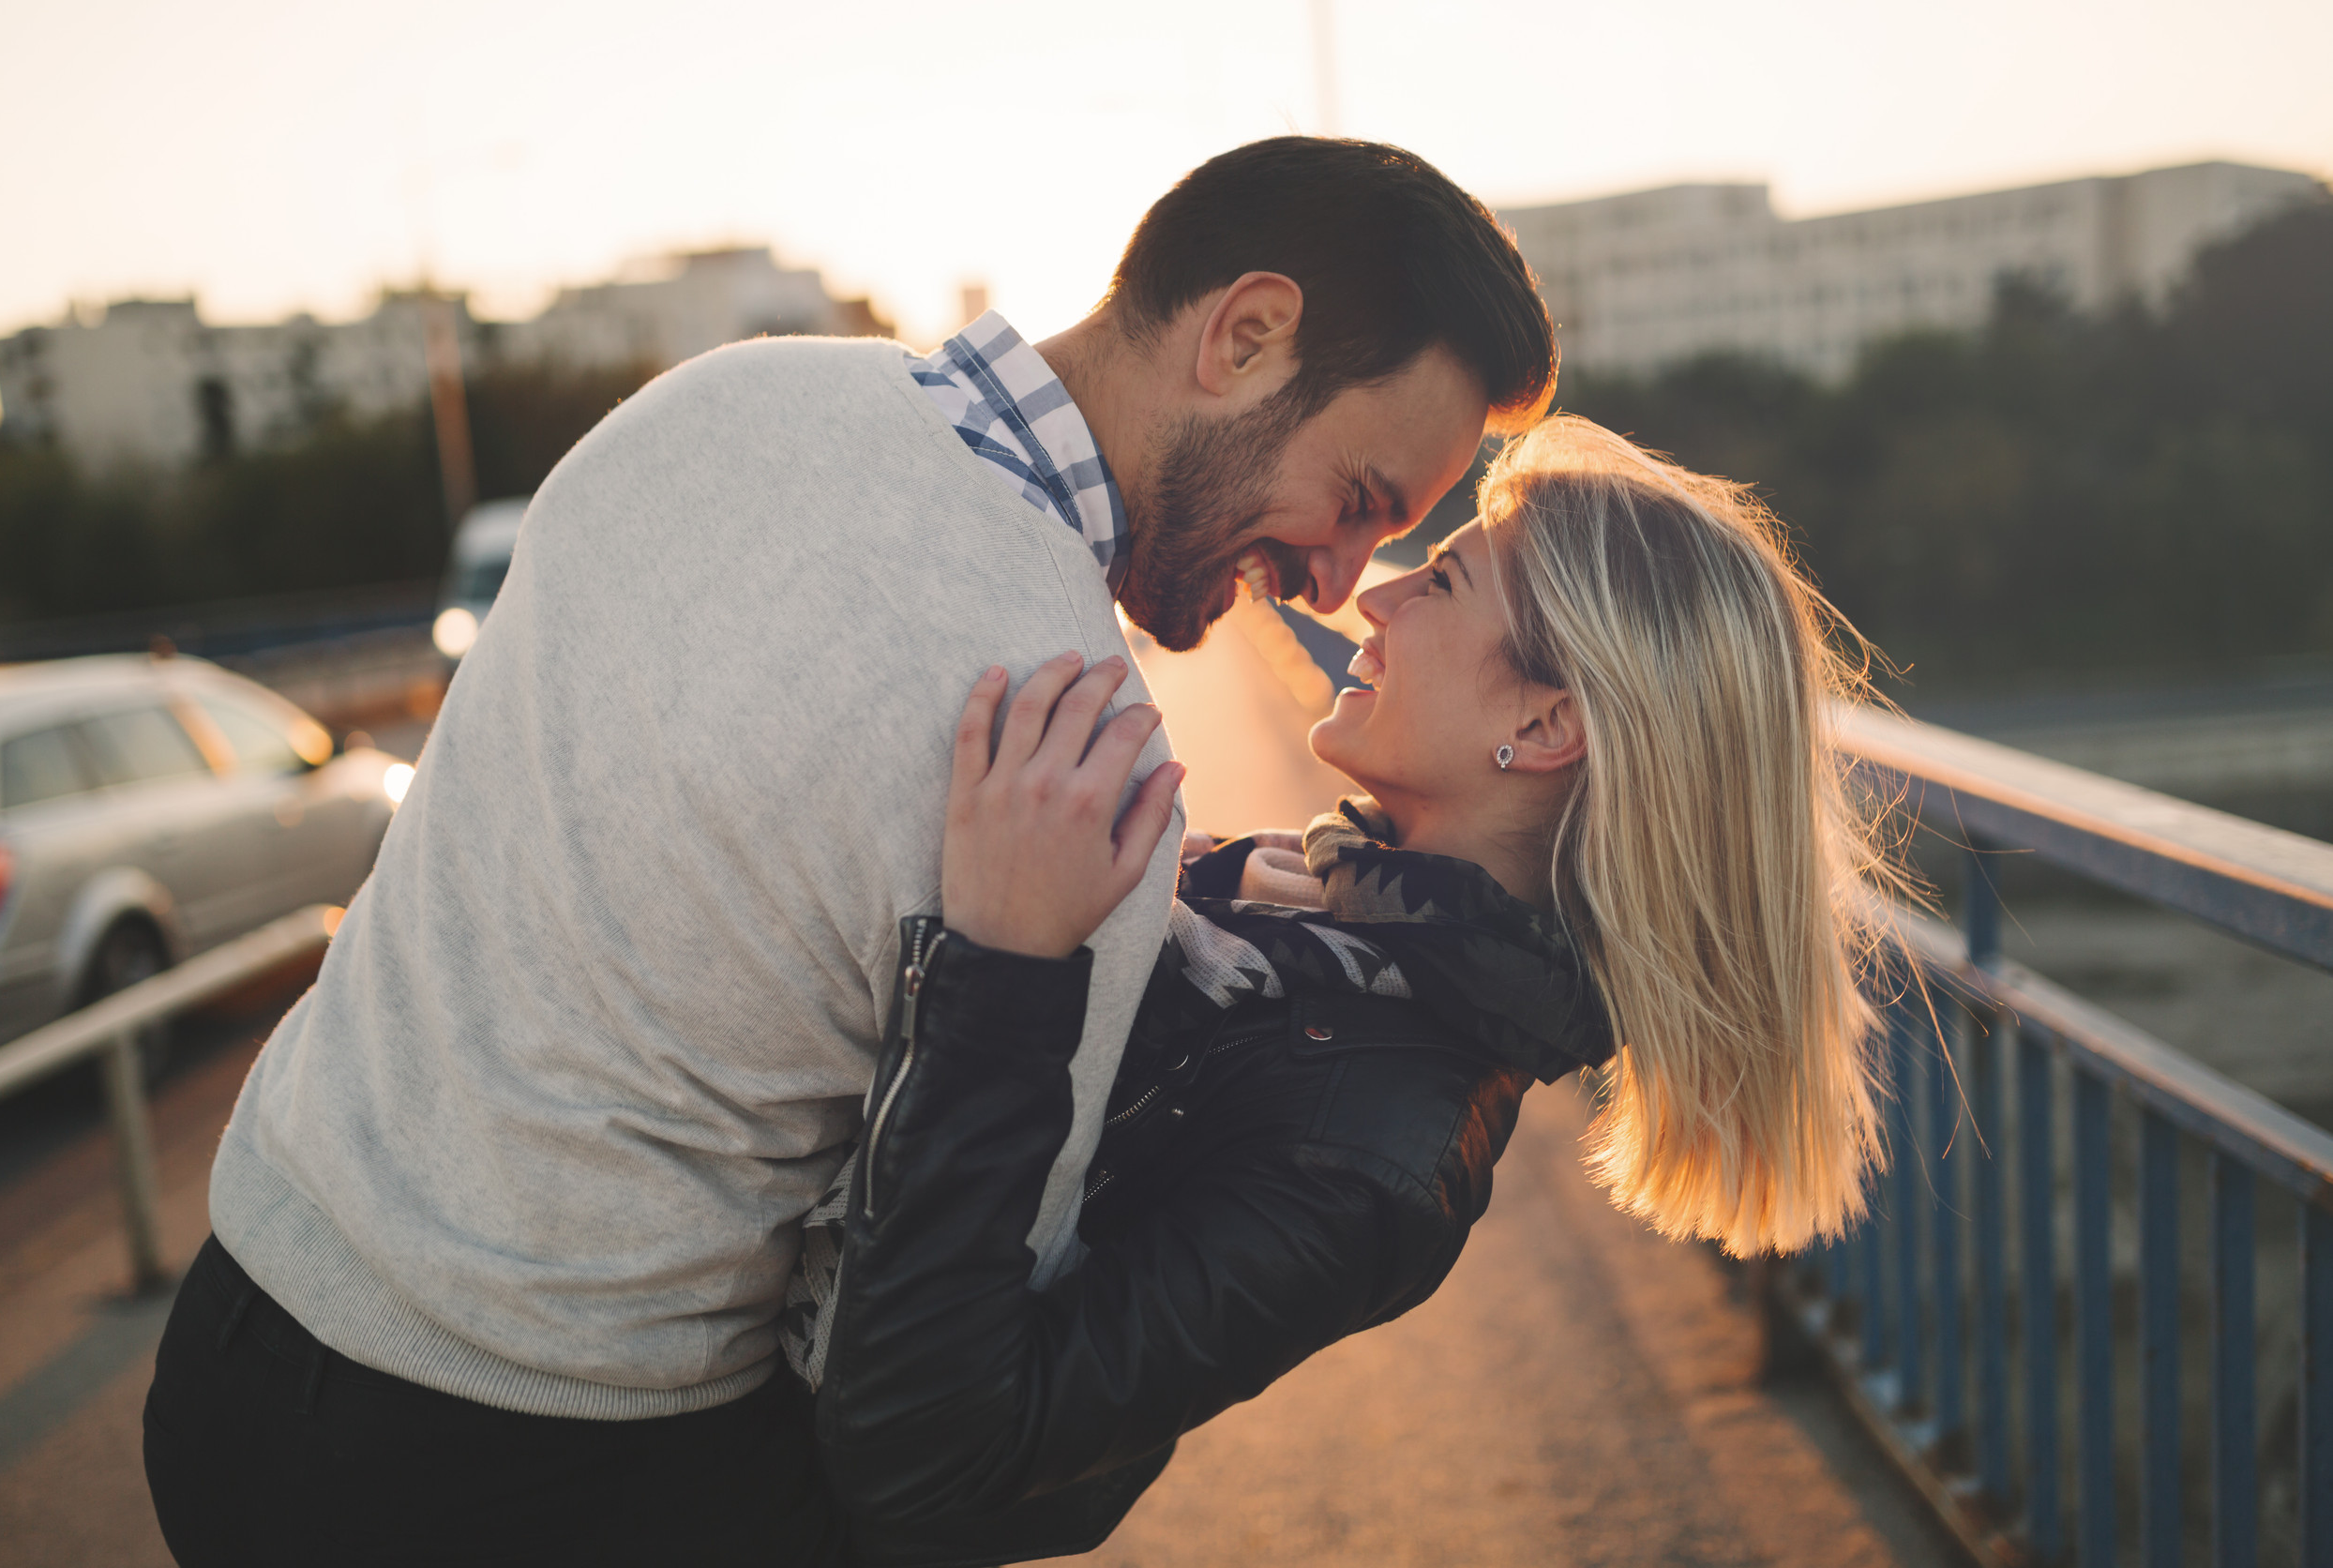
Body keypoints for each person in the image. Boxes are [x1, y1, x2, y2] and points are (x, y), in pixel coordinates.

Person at [143, 137, 1556, 1567]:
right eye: (1364, 501)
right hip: (537, 1464)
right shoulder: (1069, 762)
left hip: (236, 1326)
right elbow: (905, 1353)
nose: (1332, 581)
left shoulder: (719, 395)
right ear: (1246, 337)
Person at [807, 415, 1894, 1565]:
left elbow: (927, 1459)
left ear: (1543, 722)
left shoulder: (1378, 1160)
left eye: (1442, 581)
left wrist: (1009, 965)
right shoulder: (1295, 912)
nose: (1369, 603)